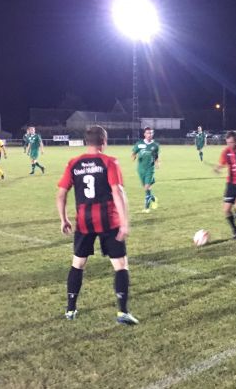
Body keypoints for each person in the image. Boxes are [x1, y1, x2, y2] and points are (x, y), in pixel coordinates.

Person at [56, 126, 138, 325]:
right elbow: (117, 192)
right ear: (104, 141)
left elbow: (61, 193)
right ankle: (122, 312)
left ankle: (70, 309)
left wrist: (63, 219)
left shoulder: (74, 163)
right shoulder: (109, 161)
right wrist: (125, 223)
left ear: (86, 141)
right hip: (109, 221)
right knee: (120, 265)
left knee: (78, 264)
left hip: (84, 222)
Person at [131, 127, 160, 213]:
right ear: (144, 134)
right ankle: (153, 198)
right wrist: (134, 157)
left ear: (152, 134)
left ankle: (146, 208)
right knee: (146, 188)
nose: (149, 135)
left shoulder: (155, 145)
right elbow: (133, 153)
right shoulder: (139, 144)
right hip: (140, 169)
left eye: (151, 133)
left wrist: (157, 163)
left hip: (150, 169)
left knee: (147, 187)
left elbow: (156, 156)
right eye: (148, 133)